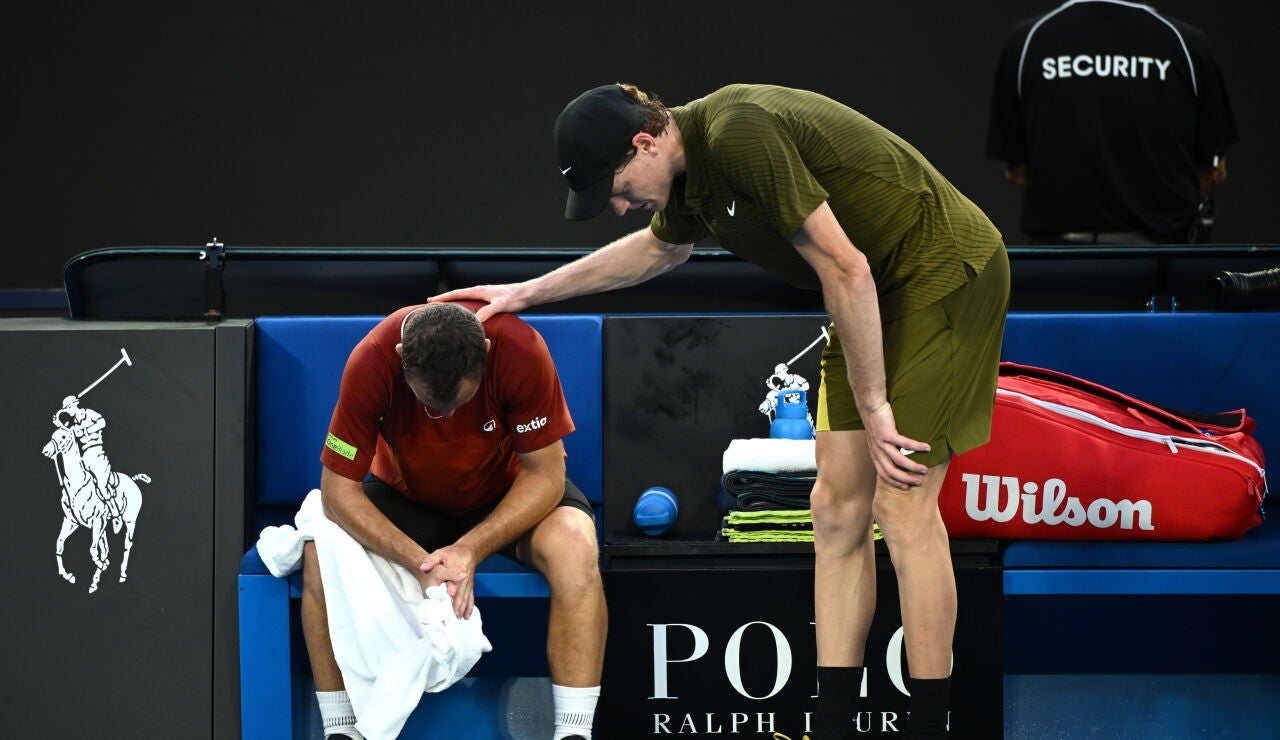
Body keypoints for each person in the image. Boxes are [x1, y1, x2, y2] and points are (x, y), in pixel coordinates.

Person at [434, 83, 1010, 739]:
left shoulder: (737, 133)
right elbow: (660, 249)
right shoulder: (690, 178)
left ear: (644, 142)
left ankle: (931, 725)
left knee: (902, 501)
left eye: (617, 188)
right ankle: (833, 726)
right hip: (871, 291)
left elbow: (844, 266)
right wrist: (525, 292)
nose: (620, 207)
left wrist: (875, 403)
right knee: (833, 506)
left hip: (940, 269)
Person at [302, 301, 606, 740]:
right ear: (402, 354)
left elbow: (545, 475)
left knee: (576, 546)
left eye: (456, 403)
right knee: (318, 550)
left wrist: (469, 549)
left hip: (505, 496)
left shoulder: (521, 349)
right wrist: (417, 563)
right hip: (408, 500)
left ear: (485, 350)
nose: (442, 416)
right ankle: (342, 730)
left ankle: (574, 732)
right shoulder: (371, 359)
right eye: (428, 403)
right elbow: (338, 489)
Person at [986, 0, 1239, 245]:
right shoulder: (1186, 43)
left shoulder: (1027, 41)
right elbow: (1213, 169)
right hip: (1159, 265)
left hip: (1055, 263)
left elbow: (1015, 169)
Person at [54, 395, 122, 518]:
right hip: (84, 456)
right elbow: (68, 433)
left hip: (97, 453)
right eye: (66, 409)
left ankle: (114, 511)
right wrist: (59, 424)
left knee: (101, 485)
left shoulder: (88, 413)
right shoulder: (72, 423)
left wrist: (85, 431)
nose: (68, 410)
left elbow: (103, 422)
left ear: (75, 404)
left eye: (68, 407)